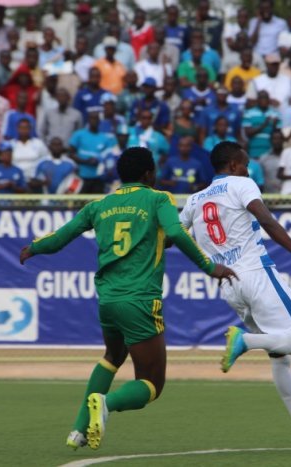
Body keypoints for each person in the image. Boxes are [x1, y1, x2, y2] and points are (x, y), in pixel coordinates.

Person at [20, 146, 235, 450]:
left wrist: (33, 248)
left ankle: (79, 430)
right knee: (152, 383)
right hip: (141, 300)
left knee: (113, 356)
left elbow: (59, 238)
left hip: (108, 300)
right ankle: (106, 404)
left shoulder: (99, 205)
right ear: (148, 174)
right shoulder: (158, 198)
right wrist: (210, 267)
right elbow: (176, 232)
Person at [178, 141, 291, 450]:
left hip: (229, 284)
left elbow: (174, 237)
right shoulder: (241, 184)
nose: (248, 170)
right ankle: (245, 341)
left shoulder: (194, 200)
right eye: (245, 164)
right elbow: (267, 220)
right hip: (256, 274)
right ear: (234, 165)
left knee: (279, 355)